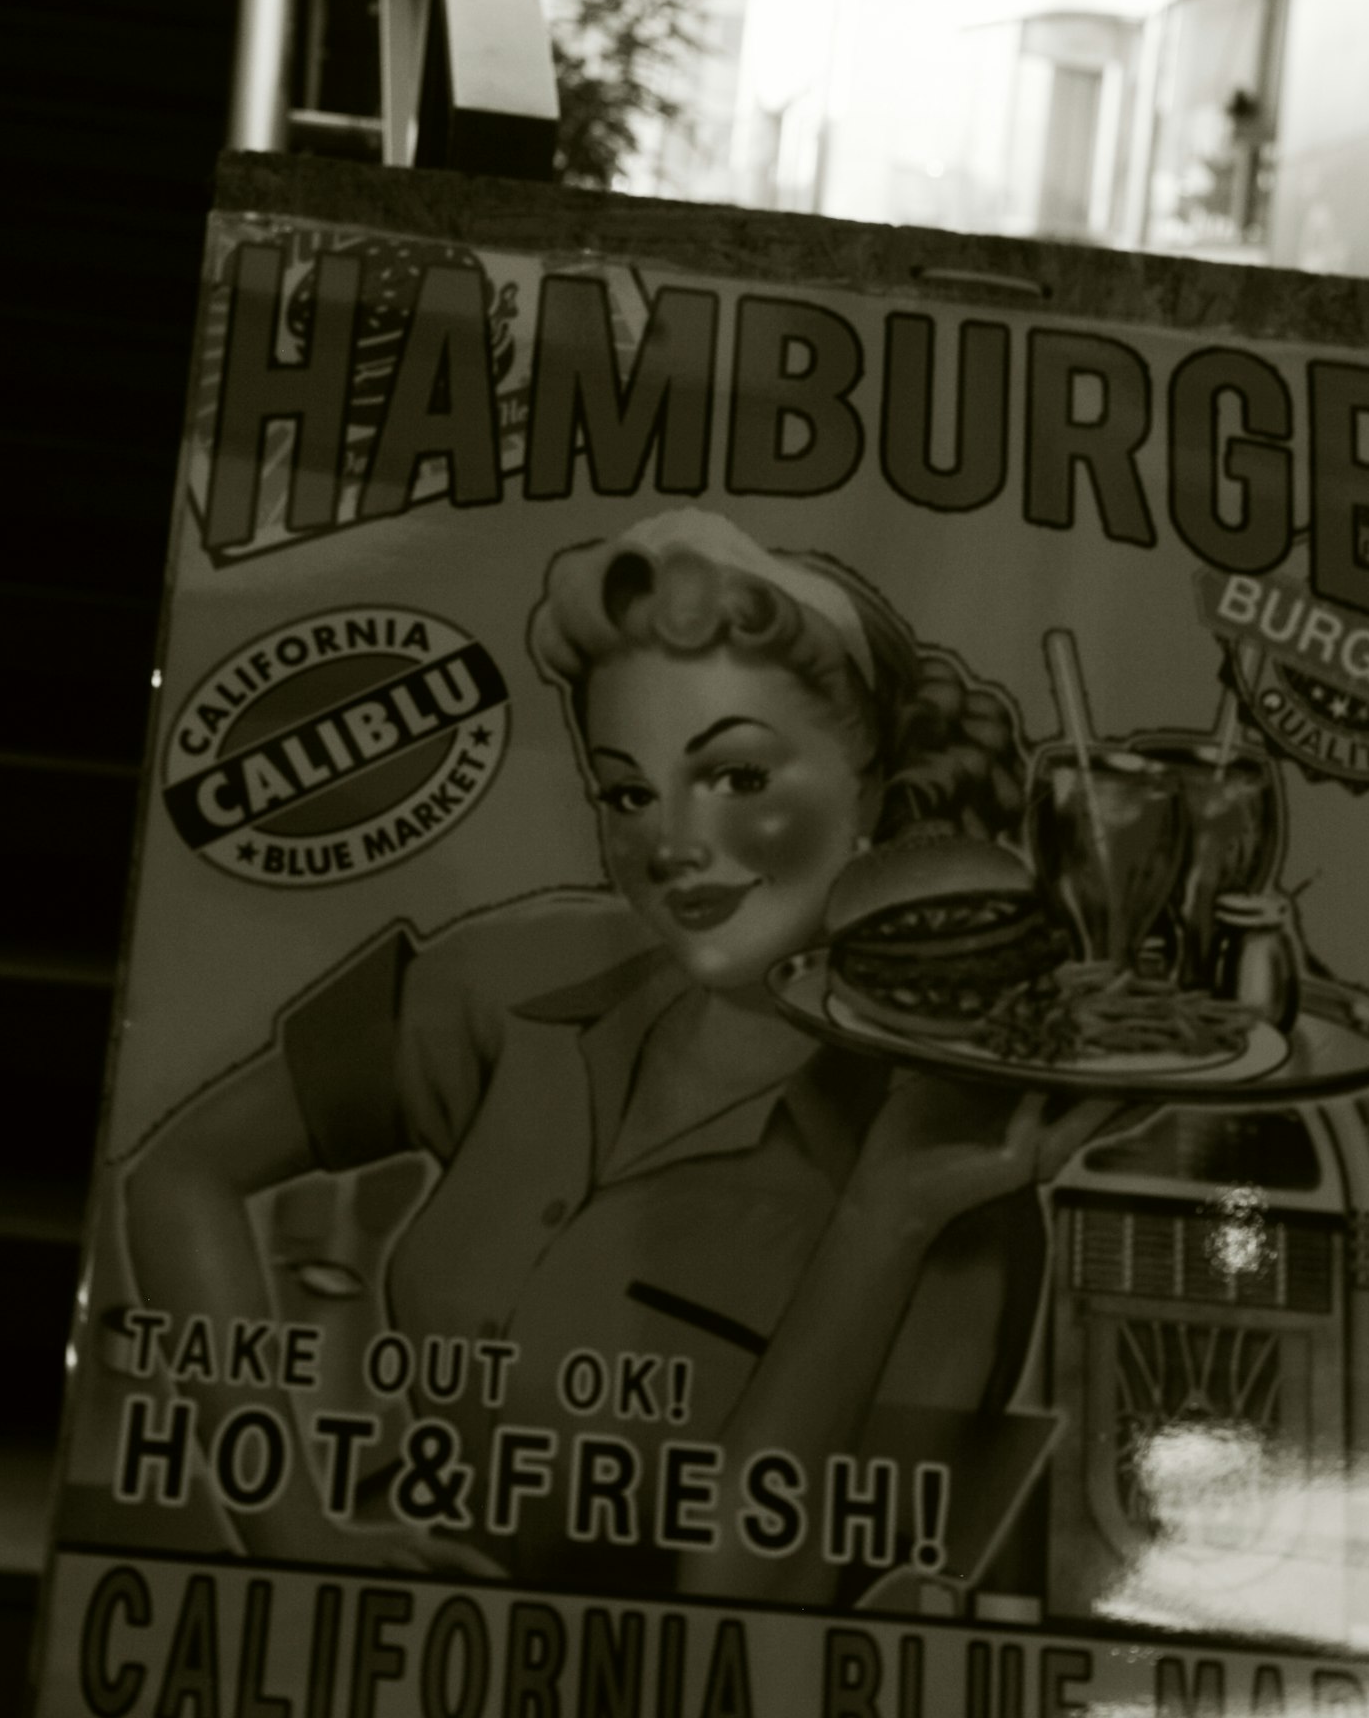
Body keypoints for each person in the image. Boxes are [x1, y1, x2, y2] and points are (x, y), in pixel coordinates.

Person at [115, 507, 1111, 1602]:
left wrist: (882, 1220)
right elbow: (177, 1174)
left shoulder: (952, 1179)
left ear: (878, 789)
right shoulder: (519, 978)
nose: (670, 844)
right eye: (627, 792)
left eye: (736, 777)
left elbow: (753, 1611)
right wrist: (297, 1536)